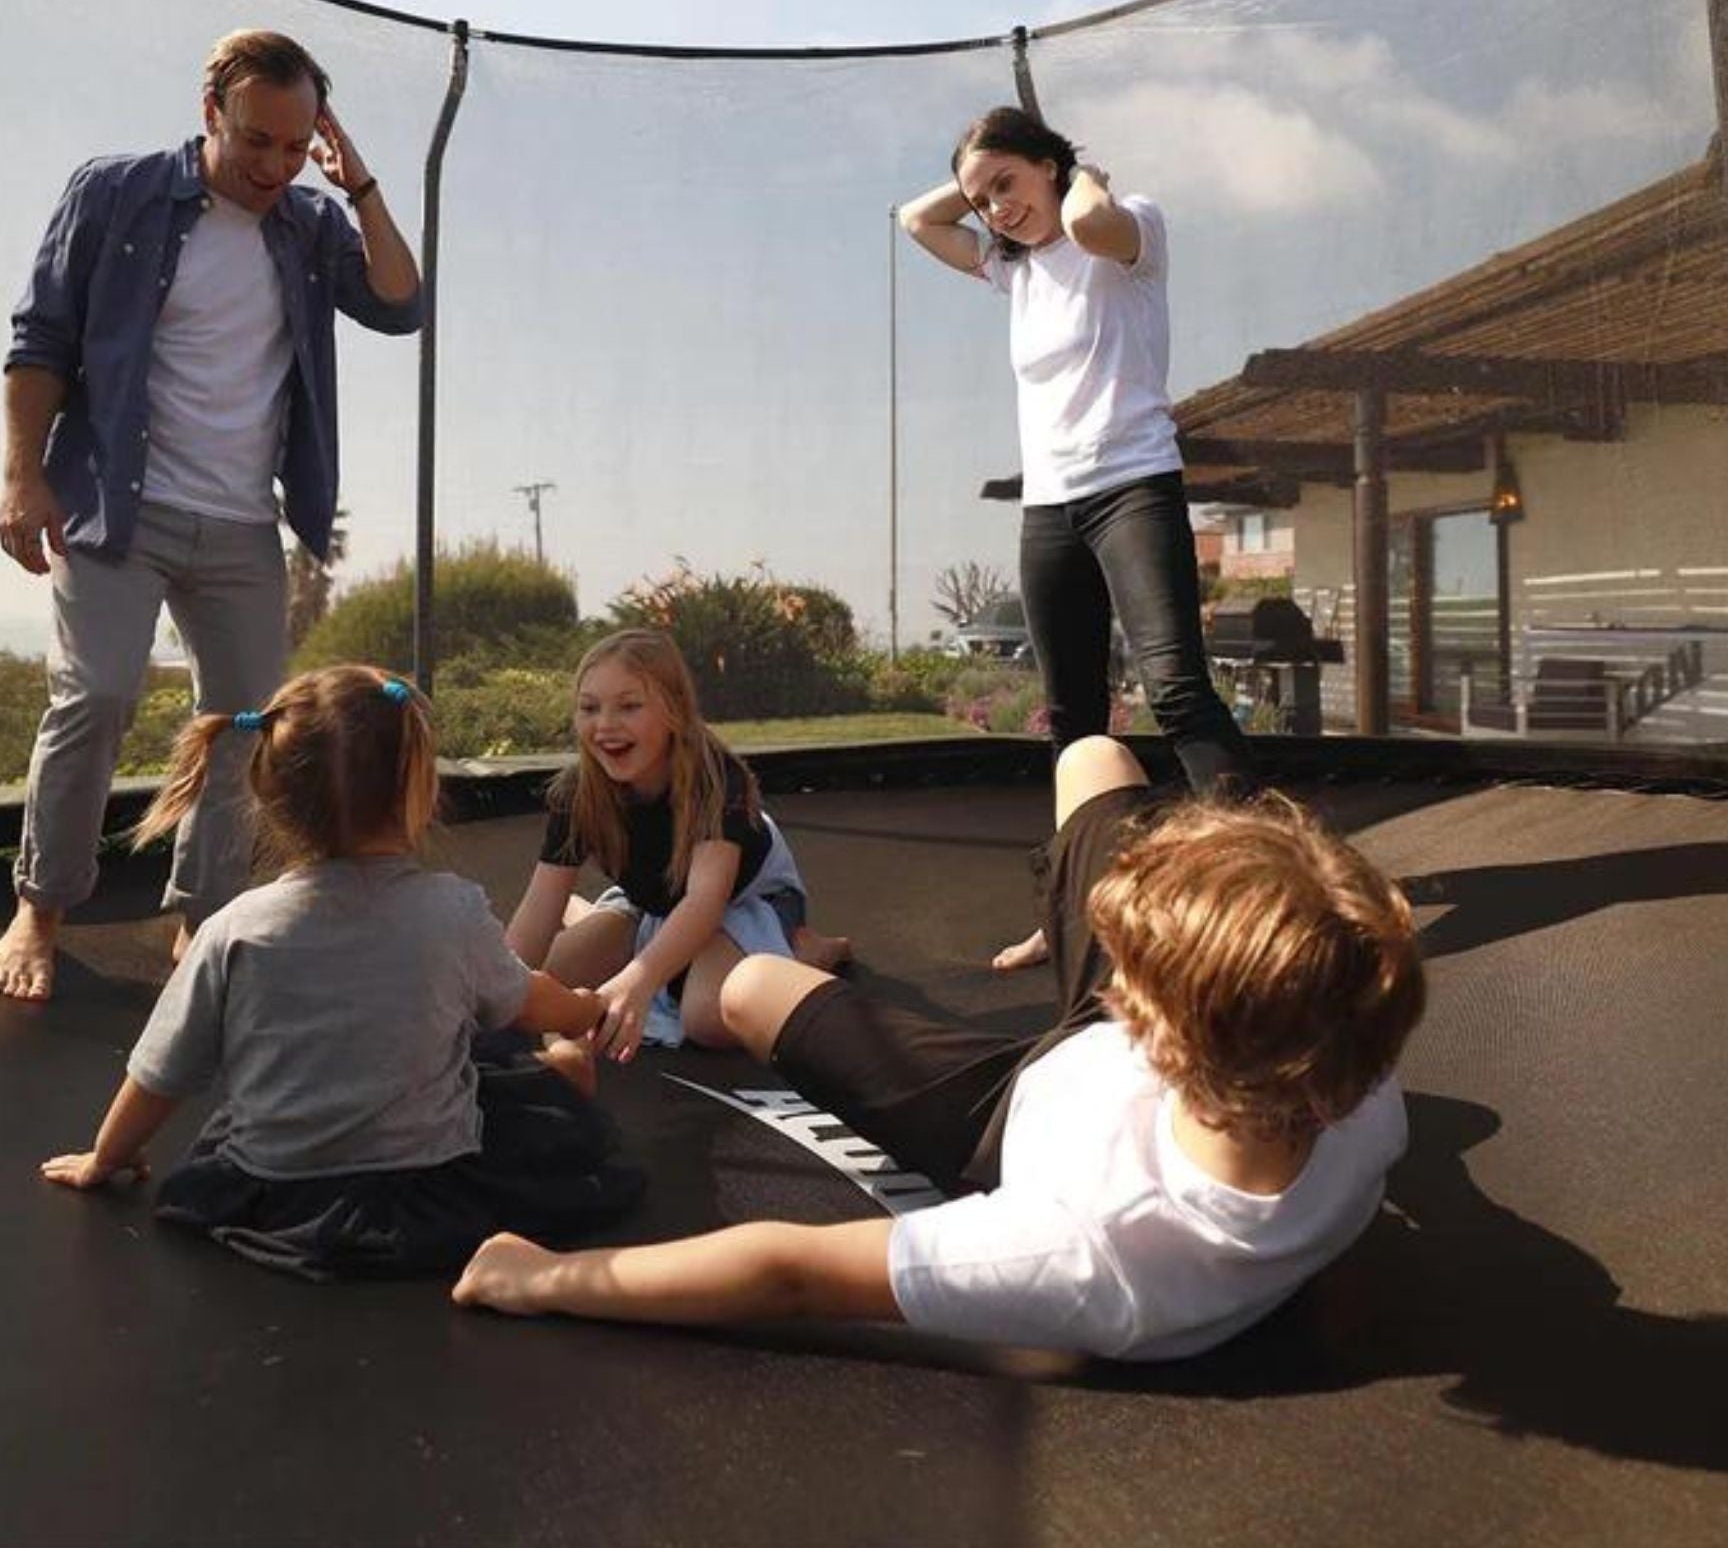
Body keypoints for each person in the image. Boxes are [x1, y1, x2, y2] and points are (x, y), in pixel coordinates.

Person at [454, 735, 1425, 1362]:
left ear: (1154, 1027)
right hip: (1133, 1053)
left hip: (996, 1112)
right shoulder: (1350, 1063)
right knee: (1093, 756)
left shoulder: (1091, 1254)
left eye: (1130, 969)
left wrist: (541, 1278)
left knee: (746, 991)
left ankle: (682, 925)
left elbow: (790, 1271)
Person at [0, 30, 423, 1001]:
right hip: (117, 504)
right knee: (96, 697)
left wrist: (356, 184)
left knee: (243, 727)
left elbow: (401, 305)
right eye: (255, 140)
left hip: (240, 525)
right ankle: (39, 909)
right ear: (209, 112)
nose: (273, 166)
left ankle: (202, 918)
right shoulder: (116, 193)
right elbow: (41, 336)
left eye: (294, 146)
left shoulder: (310, 224)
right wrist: (22, 475)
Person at [42, 665, 643, 1280]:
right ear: (418, 789)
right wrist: (587, 1010)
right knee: (500, 1051)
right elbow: (532, 1002)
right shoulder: (450, 910)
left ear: (270, 797)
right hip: (428, 1181)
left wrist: (106, 1156)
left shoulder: (234, 928)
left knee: (462, 1040)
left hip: (276, 1188)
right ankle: (561, 1067)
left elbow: (159, 1073)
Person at [899, 104, 1253, 972]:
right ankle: (1074, 910)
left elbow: (1091, 222)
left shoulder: (1133, 232)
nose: (996, 208)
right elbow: (915, 221)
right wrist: (979, 181)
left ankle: (1264, 890)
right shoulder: (1011, 269)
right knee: (1075, 722)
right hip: (1050, 510)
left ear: (1050, 166)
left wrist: (1078, 171)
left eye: (1008, 184)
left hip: (1132, 488)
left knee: (1177, 691)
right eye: (983, 199)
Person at [504, 630, 849, 1065]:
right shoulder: (578, 792)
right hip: (653, 904)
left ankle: (807, 953)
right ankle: (595, 917)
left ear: (675, 710)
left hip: (744, 902)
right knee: (549, 982)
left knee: (708, 1017)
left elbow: (705, 901)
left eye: (629, 706)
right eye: (589, 708)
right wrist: (493, 990)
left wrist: (639, 980)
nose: (605, 724)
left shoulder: (714, 779)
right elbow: (541, 904)